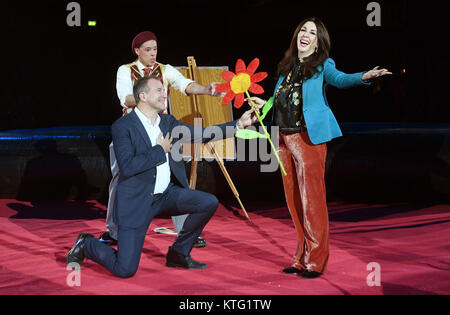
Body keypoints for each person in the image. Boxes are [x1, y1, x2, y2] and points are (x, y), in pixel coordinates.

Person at [67, 75, 258, 278]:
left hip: (165, 196)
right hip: (136, 202)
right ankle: (86, 243)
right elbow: (128, 167)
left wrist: (239, 124)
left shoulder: (167, 122)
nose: (164, 93)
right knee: (125, 269)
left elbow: (201, 134)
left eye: (163, 89)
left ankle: (178, 253)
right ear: (143, 96)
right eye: (158, 90)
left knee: (207, 202)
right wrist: (160, 150)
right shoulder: (123, 126)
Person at [247, 17, 391, 279]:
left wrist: (365, 76)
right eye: (303, 29)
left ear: (318, 41)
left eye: (312, 33)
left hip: (307, 138)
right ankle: (301, 258)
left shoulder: (323, 65)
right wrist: (263, 105)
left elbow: (342, 80)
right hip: (283, 139)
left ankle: (316, 260)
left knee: (312, 201)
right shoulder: (286, 66)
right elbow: (279, 100)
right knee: (294, 203)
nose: (306, 34)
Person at [101, 31, 223, 248]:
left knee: (177, 179)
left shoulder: (165, 70)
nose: (152, 53)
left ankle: (186, 231)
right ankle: (114, 230)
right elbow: (125, 98)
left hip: (161, 131)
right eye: (147, 49)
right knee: (121, 180)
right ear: (137, 51)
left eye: (155, 49)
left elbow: (184, 84)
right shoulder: (125, 70)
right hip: (133, 133)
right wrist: (146, 97)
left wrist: (206, 89)